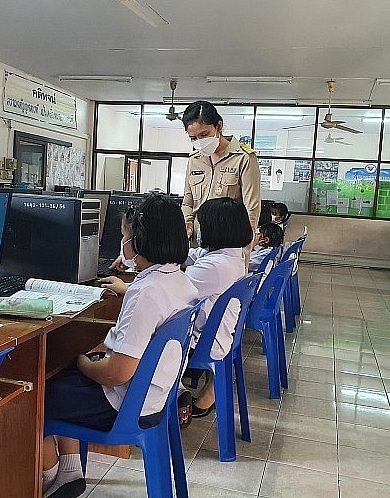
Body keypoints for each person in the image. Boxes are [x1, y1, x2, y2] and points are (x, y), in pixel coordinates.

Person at [41, 193, 197, 498]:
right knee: (63, 376)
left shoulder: (146, 292)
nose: (122, 243)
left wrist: (83, 363)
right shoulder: (180, 281)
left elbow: (116, 373)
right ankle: (69, 473)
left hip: (124, 404)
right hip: (155, 396)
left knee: (37, 396)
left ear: (138, 240)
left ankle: (49, 478)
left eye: (124, 236)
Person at [179, 197, 254, 422]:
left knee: (147, 336)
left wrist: (125, 288)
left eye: (201, 225)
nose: (198, 230)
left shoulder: (214, 266)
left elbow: (172, 293)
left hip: (202, 343)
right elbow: (189, 256)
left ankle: (173, 398)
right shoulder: (231, 256)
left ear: (215, 229)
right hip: (222, 337)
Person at [181, 101, 261, 244]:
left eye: (204, 134)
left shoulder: (243, 158)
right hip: (196, 242)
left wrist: (245, 248)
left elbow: (251, 209)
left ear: (218, 126)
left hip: (228, 243)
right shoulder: (194, 160)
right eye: (193, 138)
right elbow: (187, 202)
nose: (199, 142)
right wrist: (187, 222)